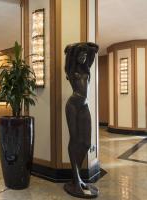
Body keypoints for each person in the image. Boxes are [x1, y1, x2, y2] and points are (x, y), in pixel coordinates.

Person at [64, 42, 99, 198]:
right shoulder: (71, 70)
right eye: (80, 55)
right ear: (75, 57)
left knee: (85, 143)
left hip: (84, 106)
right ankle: (76, 179)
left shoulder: (87, 69)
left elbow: (95, 49)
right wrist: (74, 48)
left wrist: (84, 47)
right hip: (72, 105)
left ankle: (75, 176)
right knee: (75, 139)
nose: (84, 57)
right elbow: (69, 56)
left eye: (85, 55)